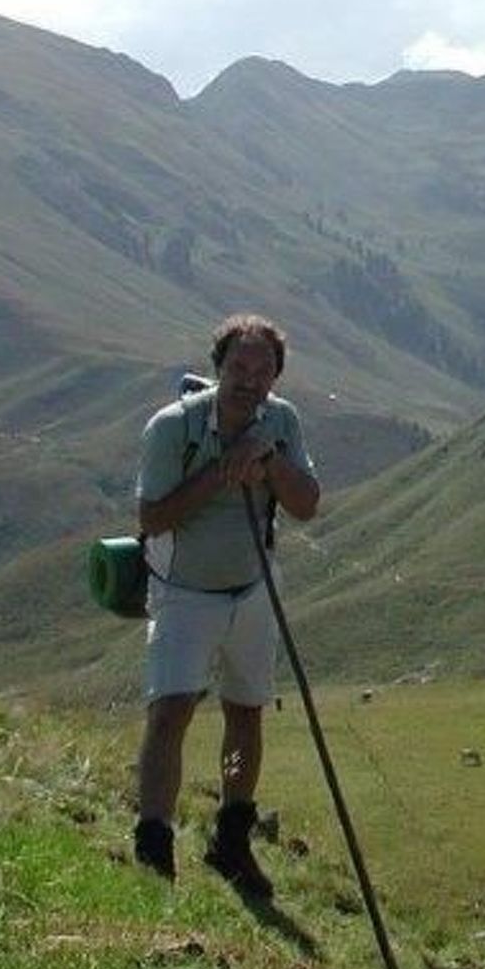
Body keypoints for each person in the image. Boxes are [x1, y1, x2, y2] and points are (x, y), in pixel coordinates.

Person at [131, 314, 321, 896]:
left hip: (253, 590)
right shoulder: (173, 429)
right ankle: (154, 844)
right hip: (185, 591)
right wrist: (223, 472)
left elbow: (307, 504)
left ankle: (232, 837)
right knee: (171, 711)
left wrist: (269, 465)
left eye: (263, 370)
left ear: (275, 377)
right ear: (218, 368)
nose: (249, 380)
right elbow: (153, 518)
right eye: (239, 367)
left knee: (246, 712)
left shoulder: (282, 422)